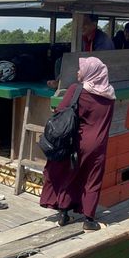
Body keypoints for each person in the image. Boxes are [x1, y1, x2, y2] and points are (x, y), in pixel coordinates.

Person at [40, 57, 115, 231]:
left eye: (81, 69)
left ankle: (64, 214)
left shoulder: (77, 90)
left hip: (77, 142)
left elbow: (60, 111)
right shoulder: (109, 94)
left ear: (90, 72)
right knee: (92, 180)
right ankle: (89, 220)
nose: (78, 72)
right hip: (98, 145)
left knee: (68, 175)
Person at [47, 14, 115, 89]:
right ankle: (61, 84)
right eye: (80, 24)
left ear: (94, 24)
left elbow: (98, 66)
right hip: (86, 71)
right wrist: (60, 78)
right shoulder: (83, 39)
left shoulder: (103, 41)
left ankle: (65, 86)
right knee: (60, 62)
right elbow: (75, 58)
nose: (82, 26)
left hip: (101, 78)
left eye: (85, 23)